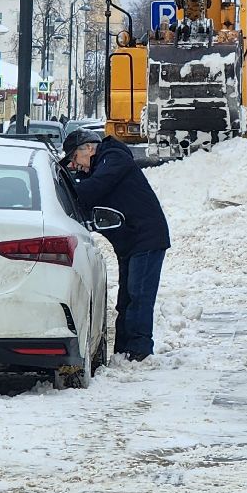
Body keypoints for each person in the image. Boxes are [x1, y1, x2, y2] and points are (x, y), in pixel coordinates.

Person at [63, 128, 171, 361]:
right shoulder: (103, 162)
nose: (76, 165)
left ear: (89, 148)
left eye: (74, 158)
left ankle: (140, 352)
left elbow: (94, 189)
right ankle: (123, 352)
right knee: (126, 298)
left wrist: (67, 192)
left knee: (139, 296)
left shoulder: (113, 158)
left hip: (146, 238)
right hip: (130, 241)